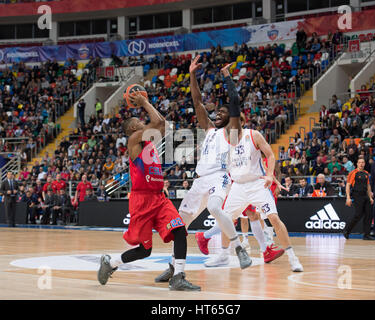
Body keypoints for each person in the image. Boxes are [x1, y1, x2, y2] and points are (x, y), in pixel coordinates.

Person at [155, 56, 252, 281]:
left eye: (223, 112)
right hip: (200, 180)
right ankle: (174, 268)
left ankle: (239, 249)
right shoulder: (209, 129)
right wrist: (191, 74)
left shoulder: (233, 132)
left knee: (216, 208)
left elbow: (235, 103)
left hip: (220, 177)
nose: (218, 113)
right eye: (217, 112)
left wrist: (227, 76)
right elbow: (197, 101)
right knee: (179, 223)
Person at [201, 61, 303, 272]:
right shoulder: (223, 139)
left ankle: (293, 257)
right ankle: (222, 254)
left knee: (273, 218)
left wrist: (269, 175)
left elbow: (271, 155)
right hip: (237, 186)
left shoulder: (253, 135)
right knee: (224, 218)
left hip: (257, 184)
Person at [97, 91, 200, 291]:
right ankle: (110, 263)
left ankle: (178, 276)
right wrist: (144, 102)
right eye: (140, 121)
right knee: (145, 250)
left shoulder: (149, 143)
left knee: (179, 230)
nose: (145, 123)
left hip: (158, 198)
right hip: (141, 200)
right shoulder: (135, 139)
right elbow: (160, 124)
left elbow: (163, 126)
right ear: (135, 127)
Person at [344, 158, 375, 240]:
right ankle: (347, 231)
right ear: (357, 164)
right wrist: (348, 197)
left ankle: (366, 235)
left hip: (366, 195)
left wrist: (370, 197)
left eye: (363, 162)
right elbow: (348, 185)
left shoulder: (366, 173)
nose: (361, 164)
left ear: (364, 164)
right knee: (358, 215)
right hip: (357, 195)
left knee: (369, 215)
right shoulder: (353, 173)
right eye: (359, 162)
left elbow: (368, 186)